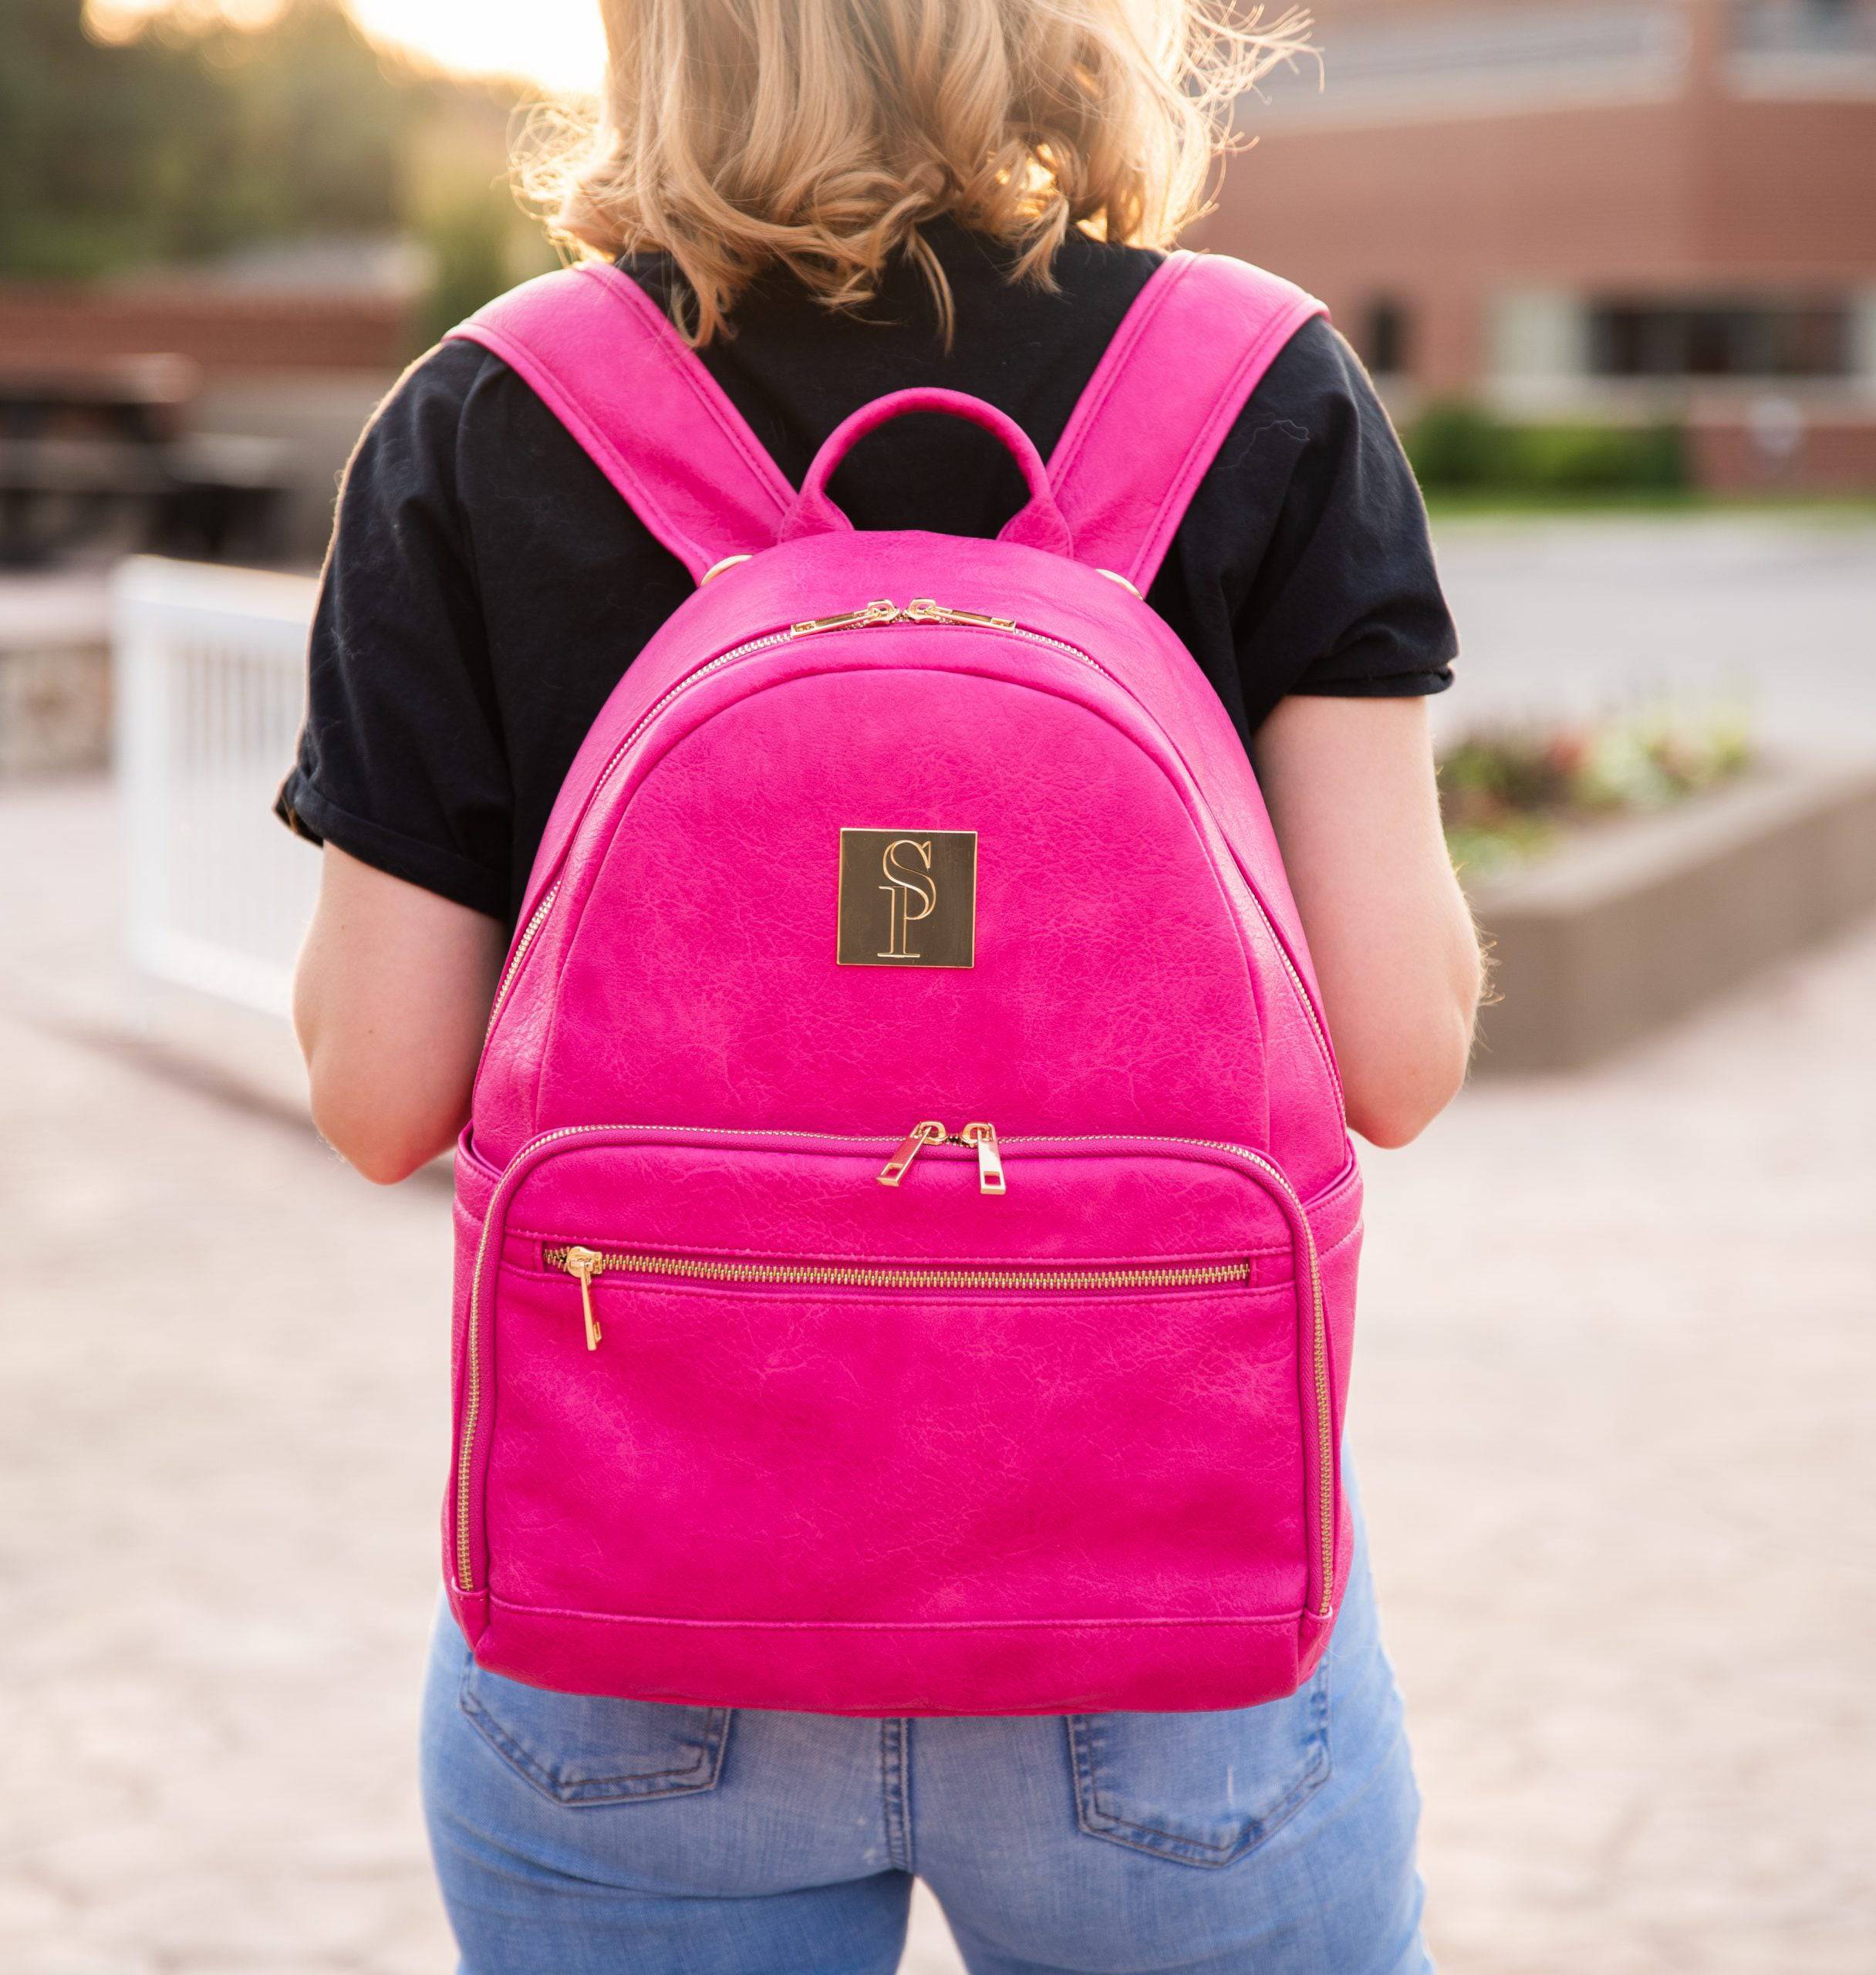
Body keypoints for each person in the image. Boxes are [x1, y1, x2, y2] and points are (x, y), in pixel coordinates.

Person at [279, 2, 1481, 1967]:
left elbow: (377, 1087)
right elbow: (1401, 1051)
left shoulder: (492, 412)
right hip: (1158, 1613)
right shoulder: (1254, 384)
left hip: (639, 1606)